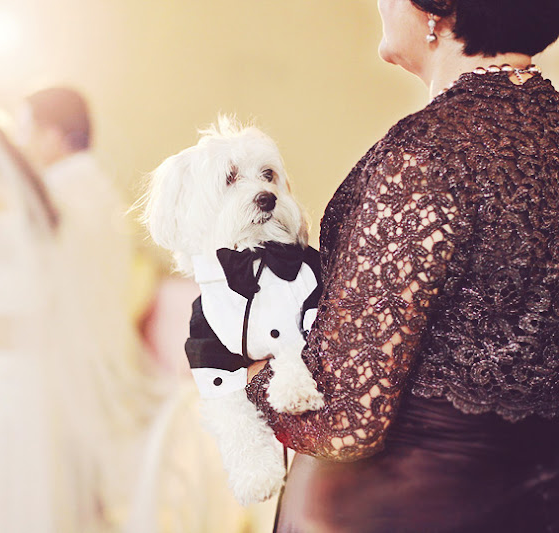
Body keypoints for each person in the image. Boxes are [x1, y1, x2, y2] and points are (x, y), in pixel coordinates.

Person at [190, 1, 559, 531]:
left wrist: (240, 382)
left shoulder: (426, 156)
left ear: (436, 10)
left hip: (398, 508)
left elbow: (347, 420)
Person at [0, 87, 156, 533]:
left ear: (52, 136)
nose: (18, 144)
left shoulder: (54, 191)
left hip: (49, 353)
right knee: (35, 484)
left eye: (26, 130)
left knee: (2, 479)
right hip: (57, 351)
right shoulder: (89, 187)